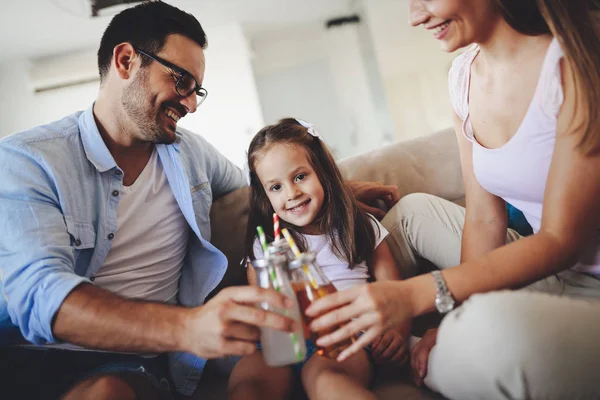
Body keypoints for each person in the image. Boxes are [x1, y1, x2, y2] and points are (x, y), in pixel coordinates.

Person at [0, 2, 399, 398]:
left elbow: (261, 186)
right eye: (181, 82)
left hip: (126, 364)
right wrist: (189, 327)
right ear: (125, 61)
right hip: (27, 355)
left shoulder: (191, 154)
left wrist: (339, 191)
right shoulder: (28, 160)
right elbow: (41, 295)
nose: (190, 104)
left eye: (197, 91)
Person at [304, 1, 600, 399]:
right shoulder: (464, 76)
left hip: (577, 275)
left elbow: (561, 240)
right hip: (551, 272)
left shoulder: (577, 59)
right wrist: (448, 316)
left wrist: (419, 297)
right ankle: (371, 330)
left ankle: (434, 351)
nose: (415, 16)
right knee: (411, 212)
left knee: (489, 328)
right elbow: (482, 219)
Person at [227, 118, 408, 400]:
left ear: (322, 172)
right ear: (265, 195)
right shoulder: (265, 245)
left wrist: (396, 331)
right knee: (249, 385)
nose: (292, 193)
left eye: (300, 177)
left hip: (346, 335)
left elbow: (394, 289)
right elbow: (263, 308)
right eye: (276, 187)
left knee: (326, 379)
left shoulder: (360, 225)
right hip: (282, 340)